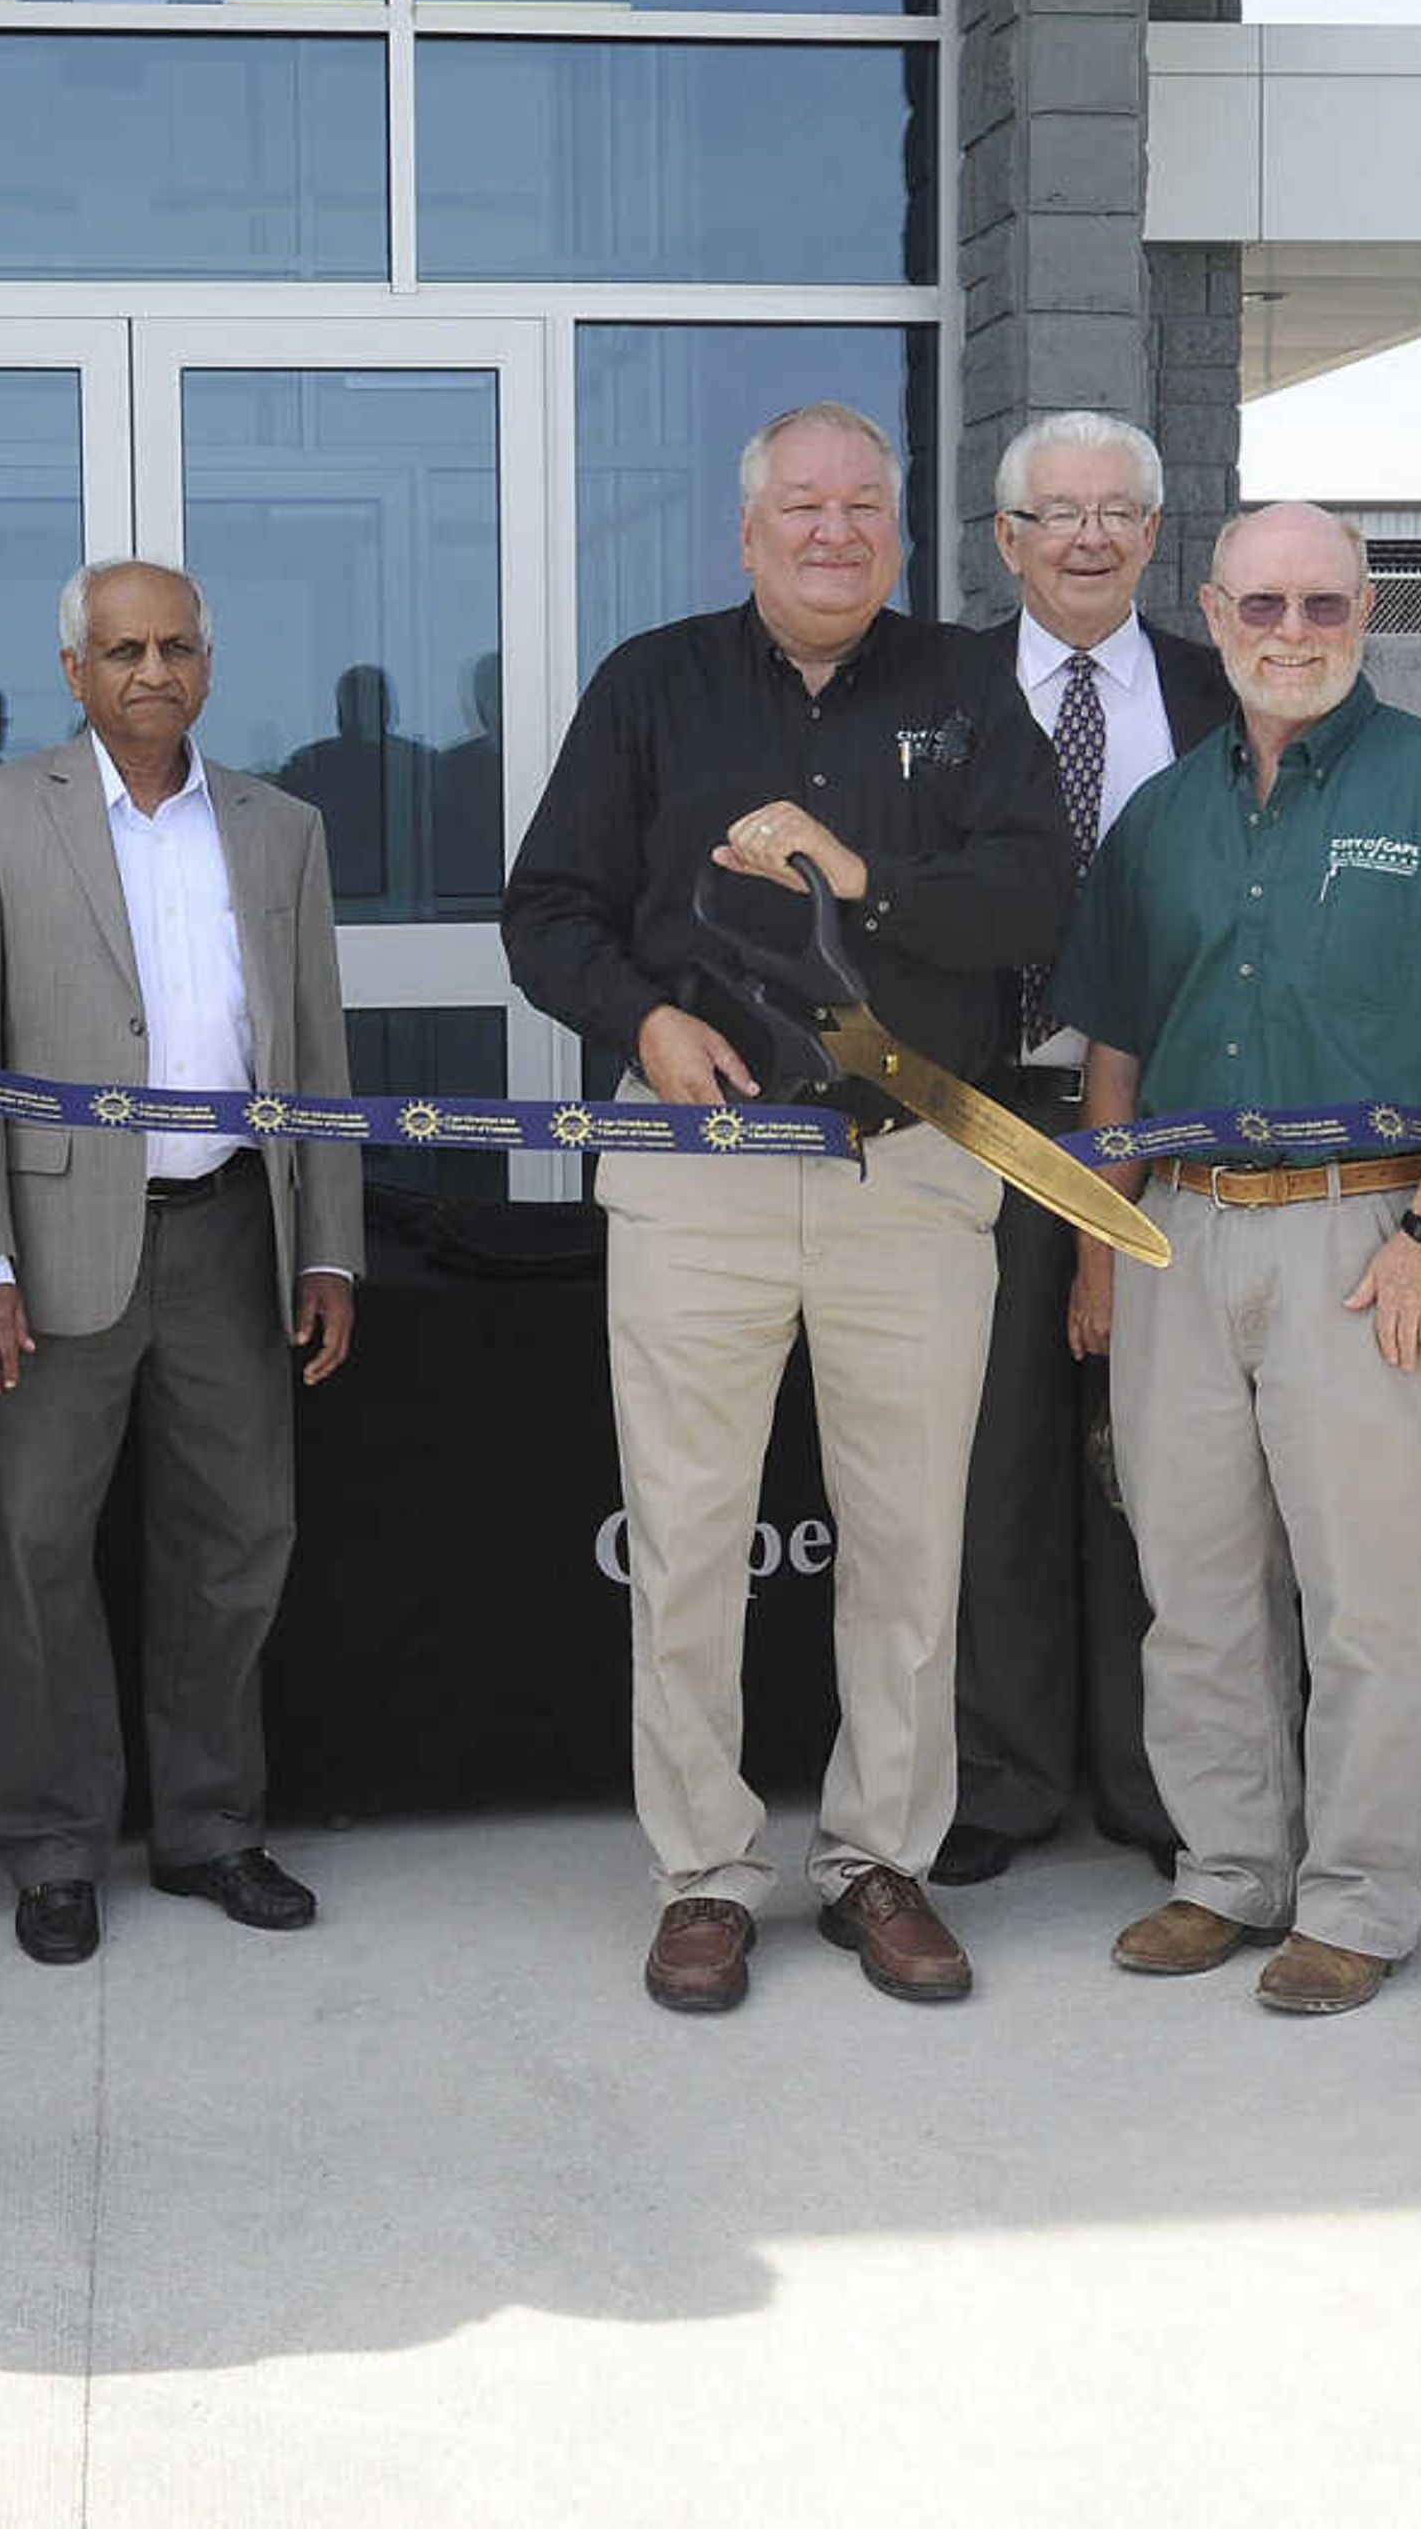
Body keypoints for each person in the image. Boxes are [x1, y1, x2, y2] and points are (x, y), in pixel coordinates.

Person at [503, 401, 1075, 2015]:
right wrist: (641, 1023)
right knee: (685, 1531)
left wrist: (865, 875)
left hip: (915, 1163)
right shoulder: (651, 684)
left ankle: (879, 1856)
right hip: (700, 1171)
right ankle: (702, 1871)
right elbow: (545, 910)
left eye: (866, 507)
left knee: (910, 1537)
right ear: (748, 532)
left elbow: (1039, 895)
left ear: (900, 531)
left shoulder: (967, 689)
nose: (836, 531)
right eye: (804, 508)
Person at [1048, 501, 1421, 2017]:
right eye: (1263, 604)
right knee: (1194, 1585)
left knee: (1368, 1598)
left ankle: (1355, 1897)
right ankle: (1228, 1870)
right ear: (1211, 611)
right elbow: (1116, 1052)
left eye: (1325, 605)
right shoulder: (1160, 817)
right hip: (1179, 1236)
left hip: (1373, 1233)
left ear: (1363, 612)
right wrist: (1104, 1249)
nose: (1293, 632)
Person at [0, 560, 363, 1967]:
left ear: (208, 665)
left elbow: (315, 1053)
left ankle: (211, 1826)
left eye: (175, 646)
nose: (150, 672)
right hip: (53, 1249)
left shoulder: (280, 827)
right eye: (121, 650)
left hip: (238, 1229)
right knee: (44, 1546)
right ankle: (52, 1845)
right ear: (74, 672)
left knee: (239, 1542)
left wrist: (333, 1248)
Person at [934, 411, 1235, 1891]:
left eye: (1120, 508)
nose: (1091, 537)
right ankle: (1002, 1775)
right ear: (1008, 538)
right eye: (1057, 513)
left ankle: (1154, 1770)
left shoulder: (1221, 685)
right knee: (992, 1463)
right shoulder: (936, 690)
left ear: (1155, 527)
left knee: (1161, 1464)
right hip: (985, 1117)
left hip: (1175, 1128)